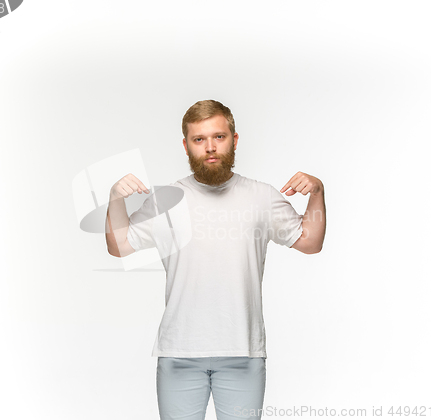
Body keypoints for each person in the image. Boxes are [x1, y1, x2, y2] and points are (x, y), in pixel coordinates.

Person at [105, 100, 326, 420]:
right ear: (186, 146)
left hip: (243, 353)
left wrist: (317, 192)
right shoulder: (165, 200)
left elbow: (310, 242)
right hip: (179, 354)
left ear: (234, 140)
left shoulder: (262, 197)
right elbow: (119, 246)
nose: (210, 147)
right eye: (199, 140)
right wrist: (114, 199)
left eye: (219, 137)